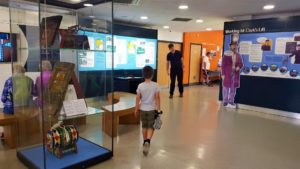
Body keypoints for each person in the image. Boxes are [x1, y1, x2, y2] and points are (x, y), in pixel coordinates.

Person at [135, 66, 161, 156]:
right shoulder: (156, 85)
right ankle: (148, 141)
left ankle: (144, 141)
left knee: (144, 126)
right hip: (151, 110)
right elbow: (157, 98)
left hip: (142, 109)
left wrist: (136, 109)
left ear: (143, 75)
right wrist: (158, 109)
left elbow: (138, 98)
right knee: (151, 126)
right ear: (152, 75)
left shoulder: (140, 86)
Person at [221, 42, 244, 108]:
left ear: (237, 47)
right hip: (227, 73)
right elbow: (223, 65)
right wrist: (222, 74)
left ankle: (231, 101)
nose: (234, 47)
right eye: (232, 46)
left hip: (235, 73)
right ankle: (225, 101)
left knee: (233, 88)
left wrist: (238, 67)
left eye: (235, 46)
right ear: (230, 47)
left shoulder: (239, 55)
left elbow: (241, 64)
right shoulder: (226, 54)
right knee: (225, 88)